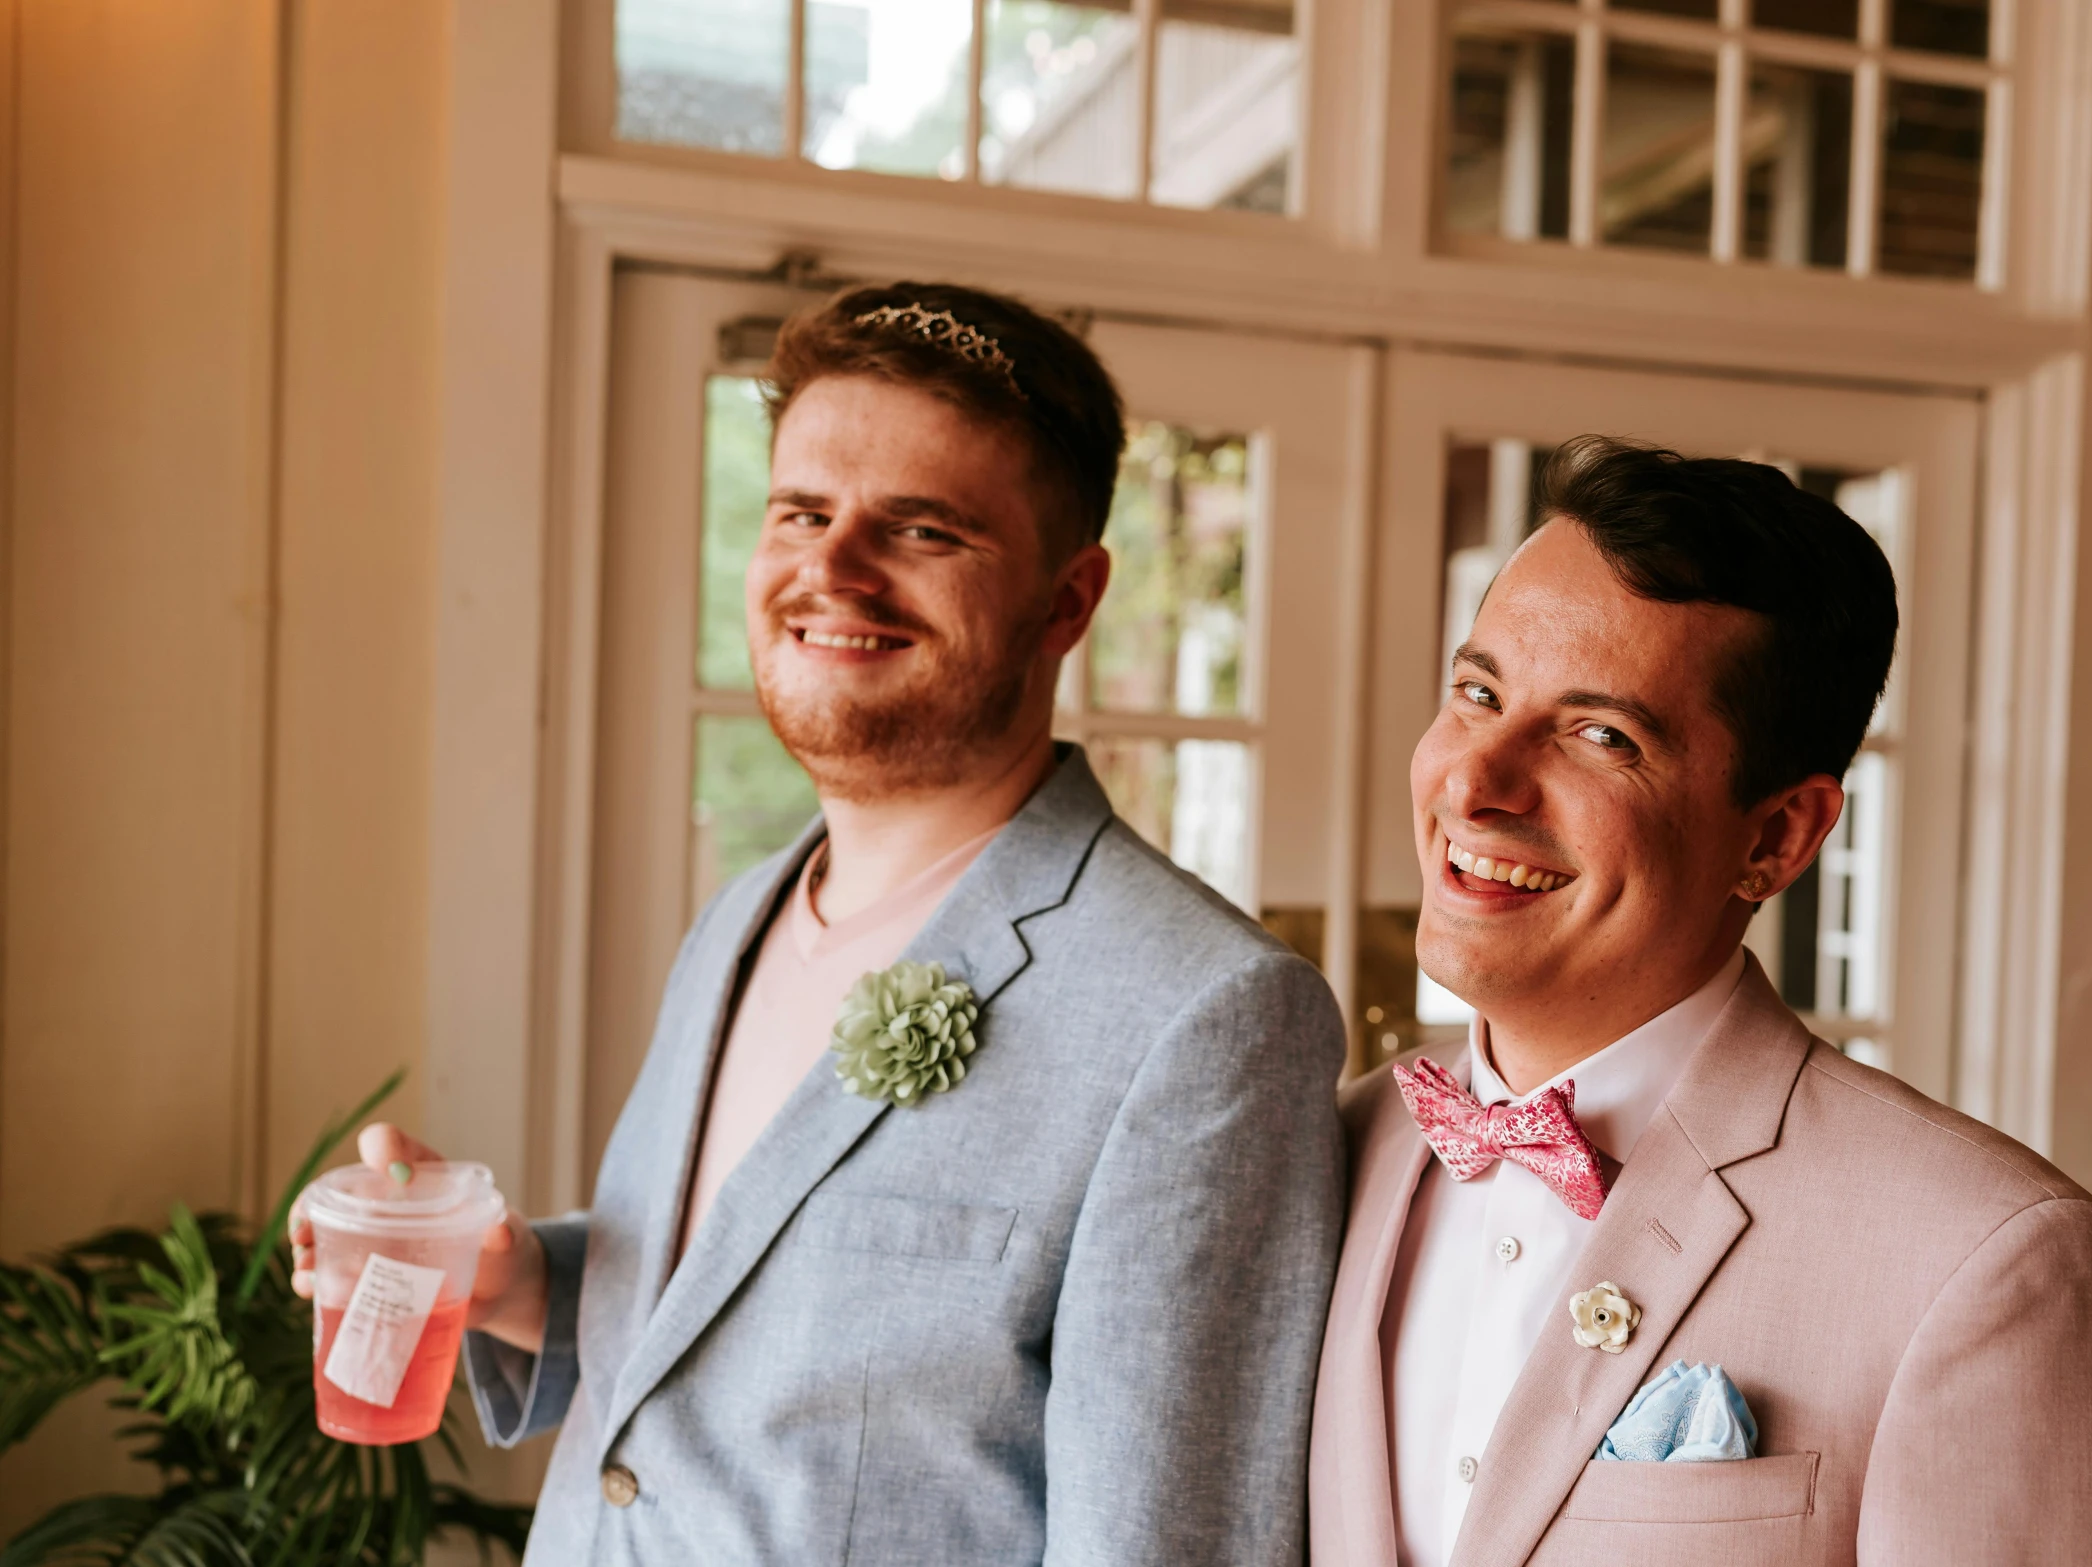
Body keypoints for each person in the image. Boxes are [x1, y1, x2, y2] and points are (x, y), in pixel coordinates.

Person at [294, 283, 1347, 1565]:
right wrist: (524, 1284)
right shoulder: (743, 913)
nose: (831, 569)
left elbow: (1168, 1544)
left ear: (1068, 602)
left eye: (920, 530)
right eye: (802, 511)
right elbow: (755, 1334)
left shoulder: (1207, 1015)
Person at [1308, 438, 2092, 1565]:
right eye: (1478, 693)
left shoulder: (1995, 1263)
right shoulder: (1315, 1160)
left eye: (1599, 736)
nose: (1474, 783)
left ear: (1775, 836)